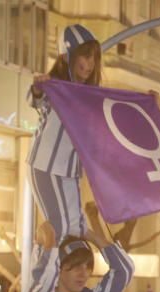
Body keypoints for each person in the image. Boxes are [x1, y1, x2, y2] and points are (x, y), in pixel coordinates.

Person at [27, 24, 101, 239]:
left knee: (75, 230)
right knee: (59, 230)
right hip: (46, 166)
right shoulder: (54, 86)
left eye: (94, 58)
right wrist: (38, 88)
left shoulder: (92, 96)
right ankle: (42, 271)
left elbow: (115, 109)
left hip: (71, 171)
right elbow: (37, 100)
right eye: (85, 57)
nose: (90, 65)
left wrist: (146, 101)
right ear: (67, 56)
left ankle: (114, 263)